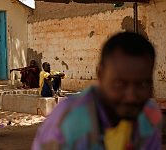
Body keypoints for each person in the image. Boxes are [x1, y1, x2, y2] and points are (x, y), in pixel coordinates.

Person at [32, 32, 162, 150]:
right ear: (100, 74)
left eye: (143, 84)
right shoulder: (67, 126)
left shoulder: (148, 115)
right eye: (119, 84)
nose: (132, 97)